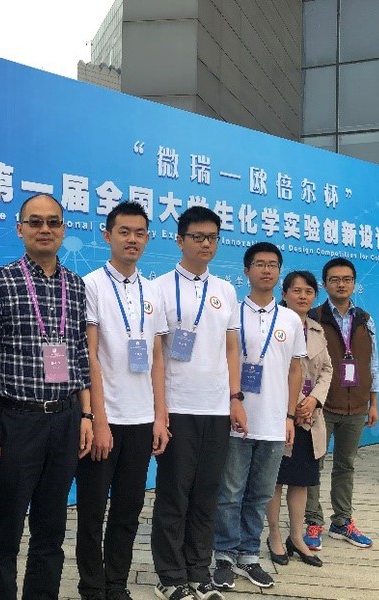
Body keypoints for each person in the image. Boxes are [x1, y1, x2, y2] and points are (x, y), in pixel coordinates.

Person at [0, 193, 94, 600]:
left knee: (51, 528)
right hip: (16, 421)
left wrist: (86, 416)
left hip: (65, 419)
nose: (45, 229)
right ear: (20, 229)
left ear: (64, 229)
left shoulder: (75, 285)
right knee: (5, 528)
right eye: (36, 221)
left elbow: (78, 355)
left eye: (53, 222)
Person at [150, 206, 246, 600]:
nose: (206, 244)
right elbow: (156, 354)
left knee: (207, 494)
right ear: (180, 240)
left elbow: (232, 348)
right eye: (197, 237)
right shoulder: (158, 288)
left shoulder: (225, 290)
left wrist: (235, 398)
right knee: (174, 494)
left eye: (212, 238)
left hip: (216, 409)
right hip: (178, 407)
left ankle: (198, 570)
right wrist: (160, 411)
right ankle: (170, 576)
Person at [76, 201, 169, 600]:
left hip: (141, 419)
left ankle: (116, 583)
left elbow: (158, 358)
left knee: (128, 511)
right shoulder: (91, 285)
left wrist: (160, 417)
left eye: (140, 233)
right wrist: (98, 419)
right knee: (92, 511)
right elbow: (89, 355)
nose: (133, 239)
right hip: (106, 418)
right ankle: (91, 586)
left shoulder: (154, 290)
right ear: (107, 235)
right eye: (124, 231)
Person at [212, 242, 304, 591]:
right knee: (230, 493)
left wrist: (289, 416)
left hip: (274, 422)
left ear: (279, 272)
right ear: (246, 271)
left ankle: (249, 555)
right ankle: (224, 555)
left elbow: (295, 370)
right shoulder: (231, 313)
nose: (267, 270)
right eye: (260, 264)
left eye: (273, 264)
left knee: (261, 494)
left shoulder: (290, 318)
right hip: (237, 419)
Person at [303, 258, 379, 550]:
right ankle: (313, 521)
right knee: (314, 465)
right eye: (334, 279)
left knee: (346, 465)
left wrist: (373, 402)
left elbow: (373, 364)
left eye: (347, 279)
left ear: (354, 283)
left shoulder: (365, 319)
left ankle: (342, 521)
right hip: (321, 406)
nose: (341, 284)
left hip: (357, 406)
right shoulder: (313, 317)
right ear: (324, 284)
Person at [266, 271, 332, 569]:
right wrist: (294, 404)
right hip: (280, 415)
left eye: (308, 291)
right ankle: (274, 536)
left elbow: (327, 369)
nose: (302, 296)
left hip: (309, 418)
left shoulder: (317, 329)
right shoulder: (274, 323)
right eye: (296, 290)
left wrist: (314, 399)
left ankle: (296, 536)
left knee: (301, 481)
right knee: (275, 481)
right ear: (284, 294)